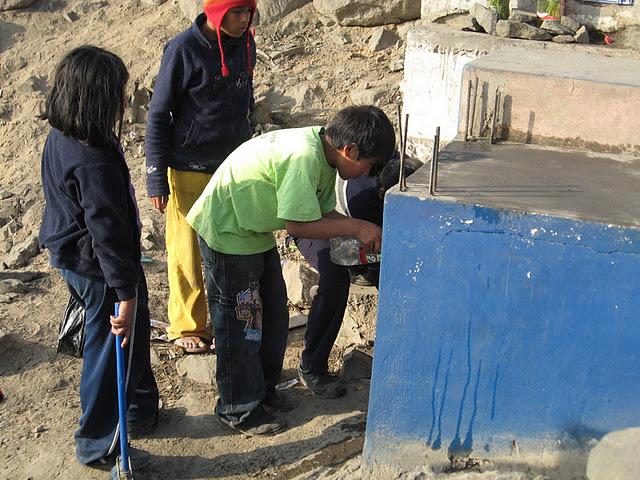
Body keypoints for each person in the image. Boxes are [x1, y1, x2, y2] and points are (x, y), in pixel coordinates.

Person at [186, 105, 396, 436]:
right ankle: (238, 408)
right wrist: (357, 228)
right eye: (369, 165)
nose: (369, 171)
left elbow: (322, 211)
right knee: (241, 322)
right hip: (227, 230)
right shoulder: (304, 159)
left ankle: (264, 392)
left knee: (273, 317)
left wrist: (365, 228)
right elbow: (299, 223)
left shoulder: (325, 157)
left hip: (252, 228)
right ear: (350, 150)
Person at [38, 46, 159, 469]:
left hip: (80, 256)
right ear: (94, 98)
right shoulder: (91, 159)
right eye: (117, 93)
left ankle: (140, 409)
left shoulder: (68, 134)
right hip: (98, 266)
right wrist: (124, 292)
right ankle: (98, 443)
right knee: (109, 349)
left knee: (132, 334)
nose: (124, 102)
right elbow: (106, 232)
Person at [145, 0, 257, 353]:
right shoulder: (182, 50)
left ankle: (236, 316)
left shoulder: (246, 42)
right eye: (235, 12)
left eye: (248, 11)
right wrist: (156, 179)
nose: (243, 20)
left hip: (233, 163)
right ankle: (188, 325)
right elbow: (158, 115)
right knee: (187, 249)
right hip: (188, 165)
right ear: (216, 11)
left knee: (235, 242)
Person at [292, 155, 423, 398]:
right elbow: (381, 258)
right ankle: (312, 366)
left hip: (353, 226)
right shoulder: (363, 200)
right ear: (384, 194)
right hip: (315, 223)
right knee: (335, 279)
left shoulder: (406, 178)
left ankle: (358, 268)